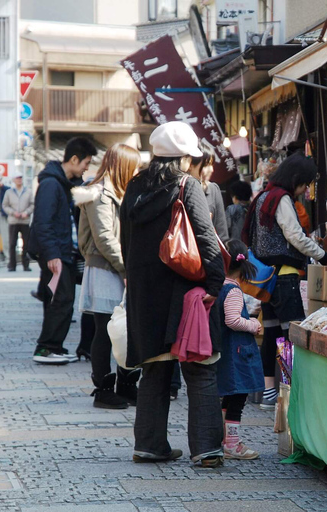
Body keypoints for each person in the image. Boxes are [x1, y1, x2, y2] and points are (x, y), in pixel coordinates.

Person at [120, 121, 226, 467]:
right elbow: (207, 240)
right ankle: (207, 448)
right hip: (185, 291)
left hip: (143, 293)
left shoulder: (134, 186)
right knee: (200, 366)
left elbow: (126, 244)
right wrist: (214, 285)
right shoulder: (186, 185)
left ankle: (149, 445)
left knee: (154, 368)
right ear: (183, 158)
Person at [242, 151, 327, 410]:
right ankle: (290, 390)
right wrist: (324, 256)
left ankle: (271, 393)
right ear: (294, 179)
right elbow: (295, 235)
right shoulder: (281, 199)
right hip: (283, 278)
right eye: (304, 184)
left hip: (267, 281)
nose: (304, 190)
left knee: (271, 334)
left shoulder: (263, 196)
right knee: (291, 336)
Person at [73, 144, 142, 409]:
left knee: (126, 328)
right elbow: (104, 238)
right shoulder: (97, 193)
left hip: (120, 268)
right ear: (122, 166)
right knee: (105, 330)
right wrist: (127, 269)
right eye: (133, 166)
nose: (136, 172)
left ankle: (126, 385)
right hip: (105, 268)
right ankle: (103, 389)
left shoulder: (119, 192)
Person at [168, 144, 229, 401]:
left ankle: (198, 374)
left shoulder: (213, 191)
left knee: (202, 330)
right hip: (179, 267)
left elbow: (221, 234)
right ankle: (173, 383)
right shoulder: (177, 187)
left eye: (211, 164)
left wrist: (221, 274)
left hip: (206, 274)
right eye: (206, 164)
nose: (210, 169)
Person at [28, 137, 97, 365]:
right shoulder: (51, 184)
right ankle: (47, 348)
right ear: (74, 159)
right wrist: (53, 255)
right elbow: (43, 222)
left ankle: (52, 346)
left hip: (63, 252)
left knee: (59, 299)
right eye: (86, 162)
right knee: (61, 299)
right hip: (57, 254)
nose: (87, 167)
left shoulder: (63, 183)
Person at [217, 239, 263, 460]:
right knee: (237, 399)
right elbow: (233, 320)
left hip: (227, 352)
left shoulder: (218, 285)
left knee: (228, 397)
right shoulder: (233, 290)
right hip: (237, 354)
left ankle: (225, 439)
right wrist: (253, 325)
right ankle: (232, 444)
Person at [2, 170, 34, 271]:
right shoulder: (9, 192)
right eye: (17, 178)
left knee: (26, 244)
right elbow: (5, 205)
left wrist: (27, 212)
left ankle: (26, 264)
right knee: (12, 243)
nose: (19, 180)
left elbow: (33, 204)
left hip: (25, 221)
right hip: (13, 221)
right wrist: (12, 212)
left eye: (21, 177)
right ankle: (12, 265)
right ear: (13, 180)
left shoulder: (28, 191)